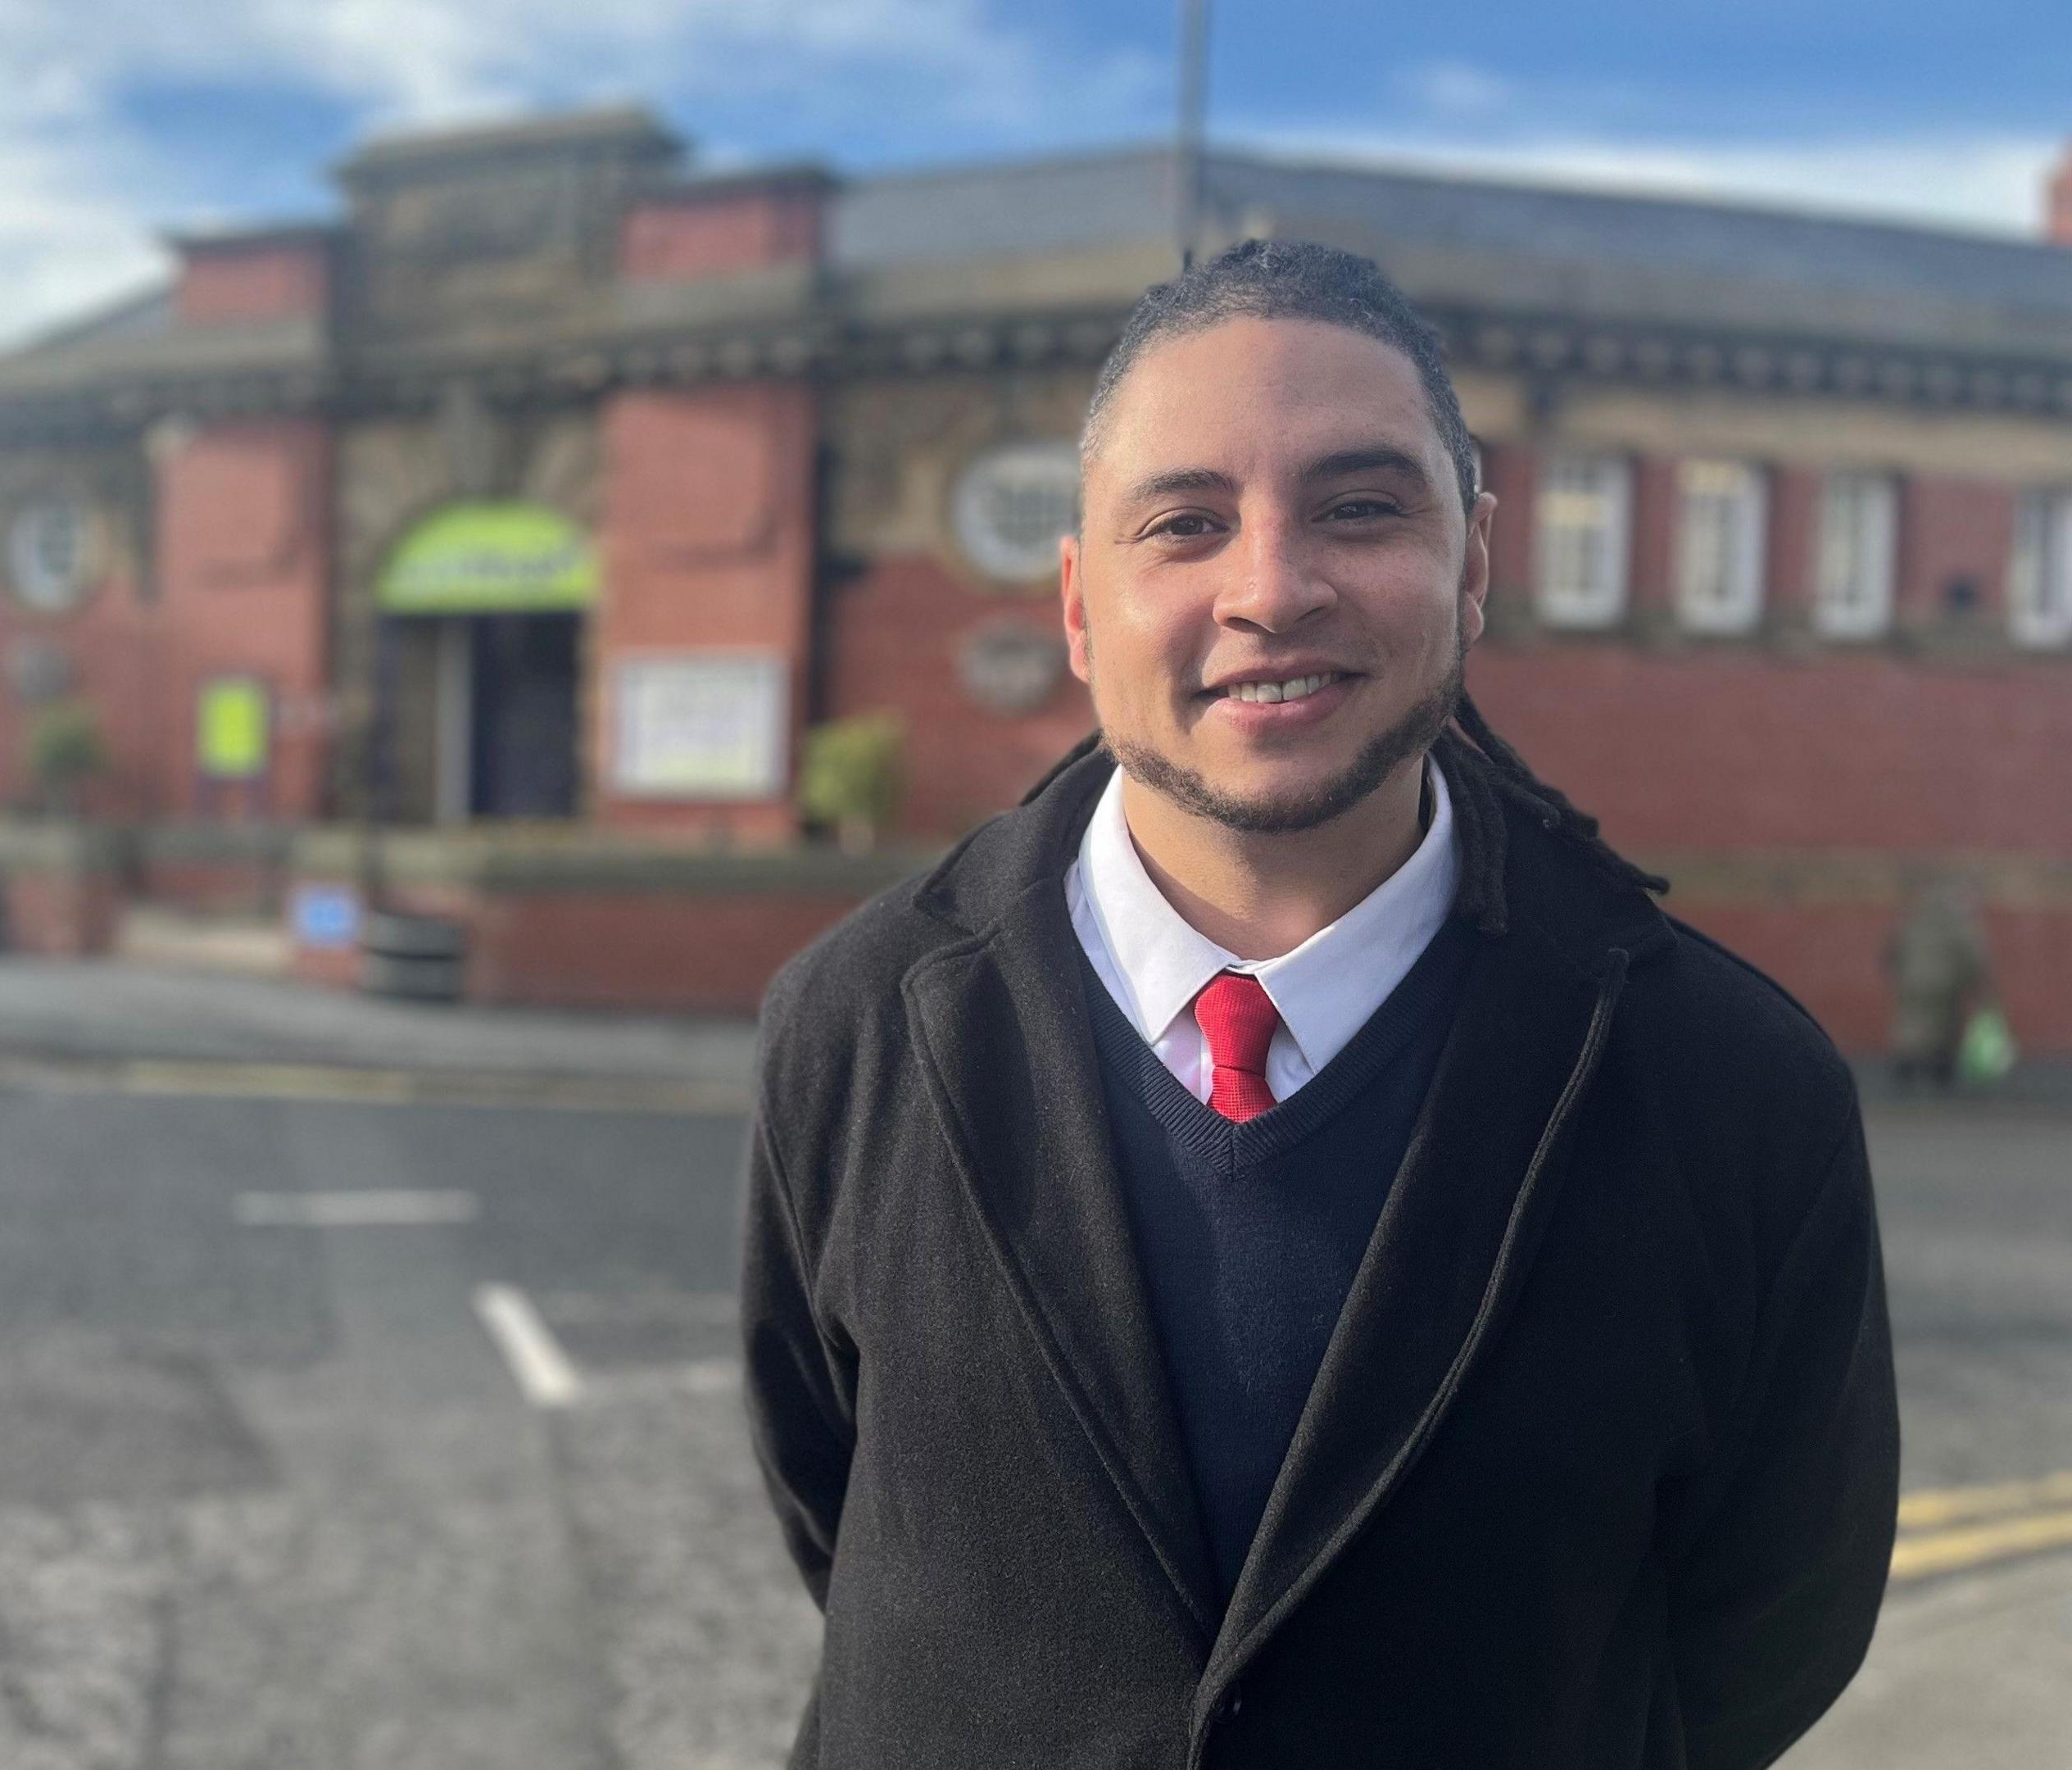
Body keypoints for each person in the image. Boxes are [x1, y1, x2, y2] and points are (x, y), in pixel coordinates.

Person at [741, 241, 1896, 1768]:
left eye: (1360, 508)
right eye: (1185, 523)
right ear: (1083, 607)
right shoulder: (855, 1019)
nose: (1272, 588)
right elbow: (833, 1504)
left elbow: (1768, 1627)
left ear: (1473, 566)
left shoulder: (1736, 1085)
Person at [1884, 876, 1990, 1093]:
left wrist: (1899, 974)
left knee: (1911, 1023)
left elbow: (1894, 949)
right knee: (1943, 1026)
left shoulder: (1915, 920)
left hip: (1912, 982)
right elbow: (1972, 956)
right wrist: (1975, 984)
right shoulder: (1957, 923)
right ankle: (1940, 1074)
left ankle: (1907, 1069)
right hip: (1945, 984)